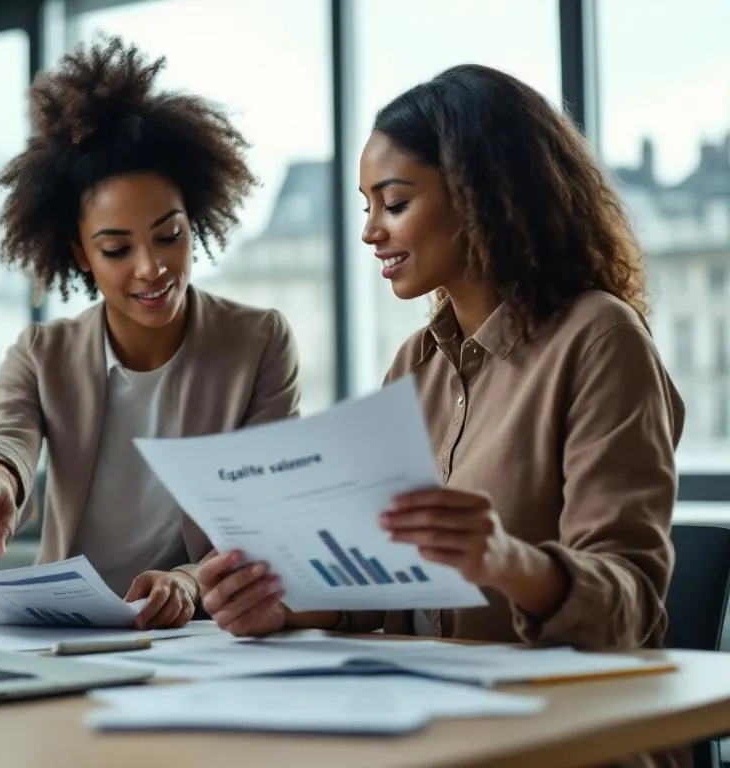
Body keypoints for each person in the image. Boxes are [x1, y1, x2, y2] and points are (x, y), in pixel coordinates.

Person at [199, 64, 685, 653]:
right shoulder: (414, 364)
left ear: (481, 194)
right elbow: (381, 580)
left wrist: (507, 561)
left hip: (553, 705)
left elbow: (631, 605)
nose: (370, 232)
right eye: (366, 207)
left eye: (394, 203)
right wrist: (280, 602)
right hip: (425, 695)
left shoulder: (600, 337)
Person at [0, 35, 302, 631]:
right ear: (81, 253)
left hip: (199, 635)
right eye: (116, 248)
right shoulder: (41, 352)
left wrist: (189, 581)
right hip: (63, 629)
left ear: (194, 221)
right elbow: (5, 437)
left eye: (169, 236)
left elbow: (266, 515)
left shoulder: (258, 342)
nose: (150, 267)